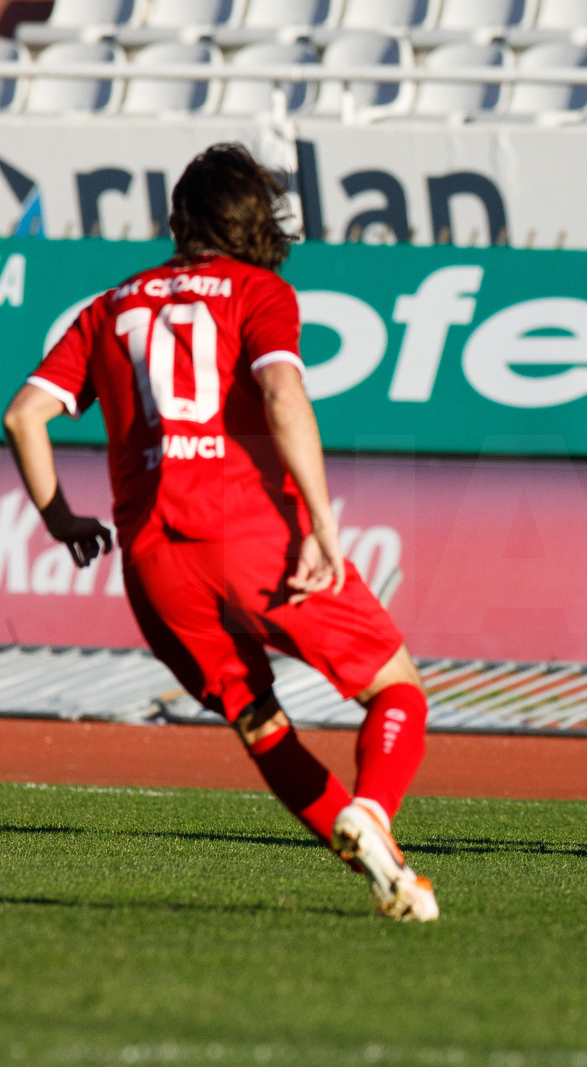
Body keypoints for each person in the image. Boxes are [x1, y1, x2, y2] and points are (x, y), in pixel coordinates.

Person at [3, 144, 439, 920]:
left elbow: (22, 415)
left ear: (177, 221)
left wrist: (61, 517)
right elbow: (280, 391)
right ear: (255, 222)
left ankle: (395, 878)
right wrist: (322, 519)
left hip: (152, 562)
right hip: (249, 533)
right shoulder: (258, 292)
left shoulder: (109, 307)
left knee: (259, 719)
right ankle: (371, 804)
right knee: (396, 685)